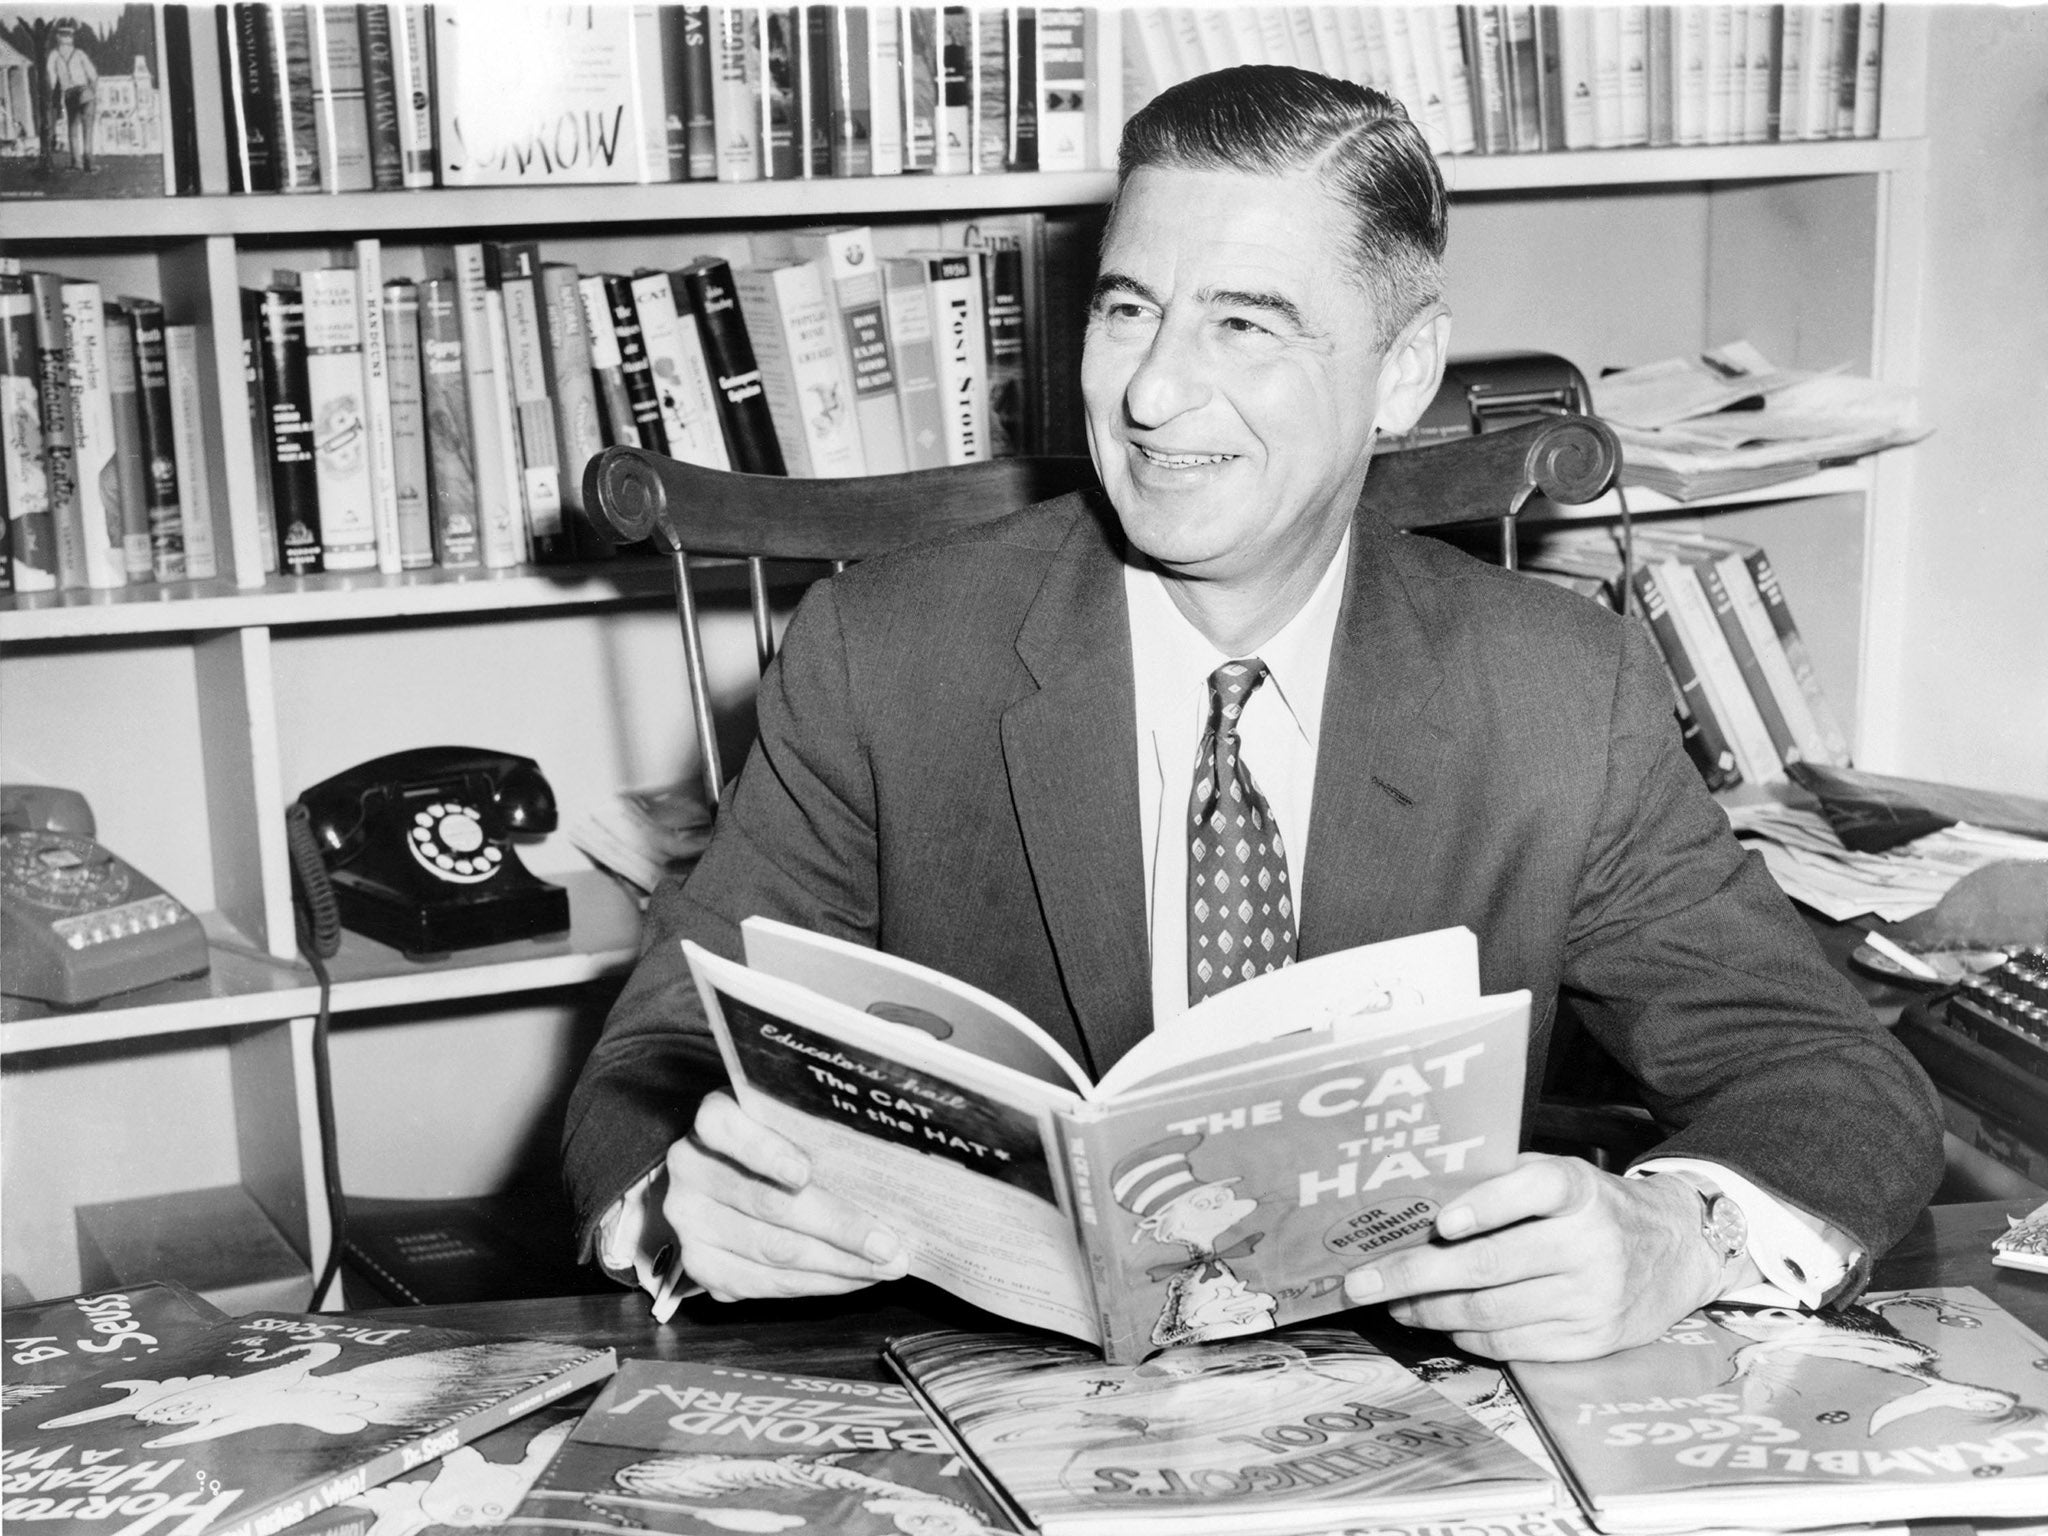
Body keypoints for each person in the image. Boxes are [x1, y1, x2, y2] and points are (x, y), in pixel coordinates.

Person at [563, 66, 1943, 1363]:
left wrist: (1675, 1237)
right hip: (985, 1375)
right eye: (1126, 310)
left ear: (1403, 371)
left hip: (1416, 1398)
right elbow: (647, 1066)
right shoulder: (886, 654)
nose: (1153, 394)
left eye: (1244, 322)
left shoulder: (1559, 690)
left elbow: (1830, 1077)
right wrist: (687, 1206)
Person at [44, 21, 98, 173]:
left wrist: (57, 95)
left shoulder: (54, 55)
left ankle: (77, 163)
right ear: (71, 38)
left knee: (73, 130)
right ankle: (90, 164)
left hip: (70, 94)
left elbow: (52, 79)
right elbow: (93, 75)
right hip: (86, 92)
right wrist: (92, 92)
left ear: (58, 38)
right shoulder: (79, 53)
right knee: (88, 130)